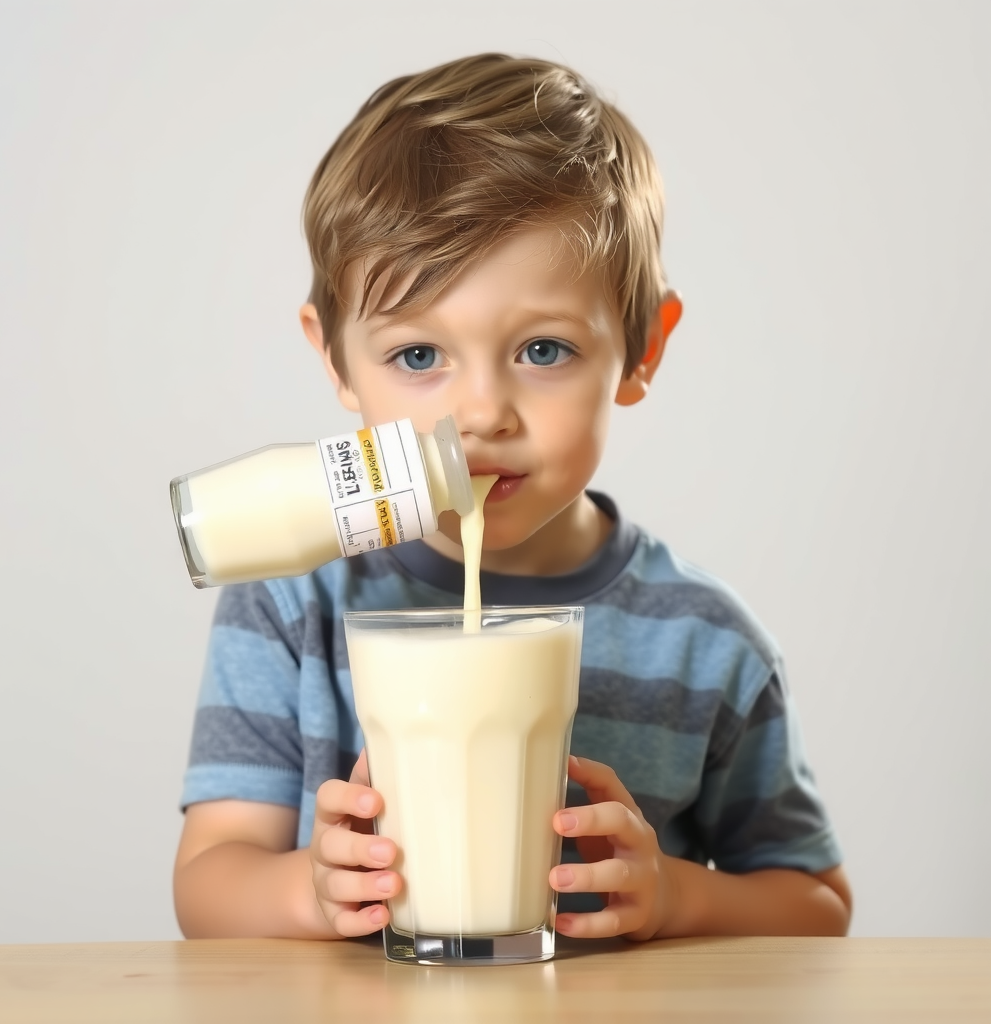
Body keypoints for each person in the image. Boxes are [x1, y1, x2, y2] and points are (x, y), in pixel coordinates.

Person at [172, 53, 851, 942]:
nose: (481, 415)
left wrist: (680, 898)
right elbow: (207, 882)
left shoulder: (707, 644)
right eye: (419, 356)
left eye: (543, 351)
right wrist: (308, 889)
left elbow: (818, 904)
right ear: (335, 356)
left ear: (644, 347)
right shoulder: (292, 600)